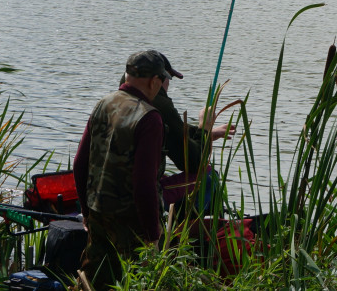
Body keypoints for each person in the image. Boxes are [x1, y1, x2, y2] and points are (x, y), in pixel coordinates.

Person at [72, 50, 169, 290]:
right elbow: (144, 183)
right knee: (135, 283)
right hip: (130, 223)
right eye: (162, 81)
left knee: (92, 282)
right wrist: (152, 235)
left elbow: (79, 164)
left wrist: (85, 210)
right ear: (154, 80)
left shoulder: (103, 104)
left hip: (97, 213)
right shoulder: (149, 117)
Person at [147, 54, 235, 214]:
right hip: (139, 199)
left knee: (164, 178)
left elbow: (176, 132)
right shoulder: (159, 105)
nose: (168, 86)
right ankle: (196, 230)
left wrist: (207, 133)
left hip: (106, 195)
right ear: (157, 80)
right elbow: (193, 162)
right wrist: (205, 128)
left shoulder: (117, 102)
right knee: (207, 176)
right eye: (169, 79)